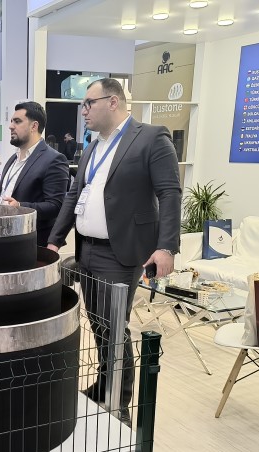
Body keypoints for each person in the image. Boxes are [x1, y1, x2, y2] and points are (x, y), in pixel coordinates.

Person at [47, 78, 181, 424]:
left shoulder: (151, 138)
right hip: (87, 250)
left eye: (88, 103)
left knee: (114, 328)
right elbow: (74, 196)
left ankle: (119, 404)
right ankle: (105, 384)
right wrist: (54, 241)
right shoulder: (93, 146)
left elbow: (169, 193)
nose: (84, 111)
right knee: (99, 325)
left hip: (120, 253)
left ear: (113, 102)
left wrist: (167, 247)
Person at [0, 101, 69, 246]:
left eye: (17, 121)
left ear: (34, 126)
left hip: (30, 244)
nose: (10, 126)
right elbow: (10, 199)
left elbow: (56, 207)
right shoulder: (12, 159)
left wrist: (20, 207)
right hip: (3, 238)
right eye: (11, 121)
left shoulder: (54, 159)